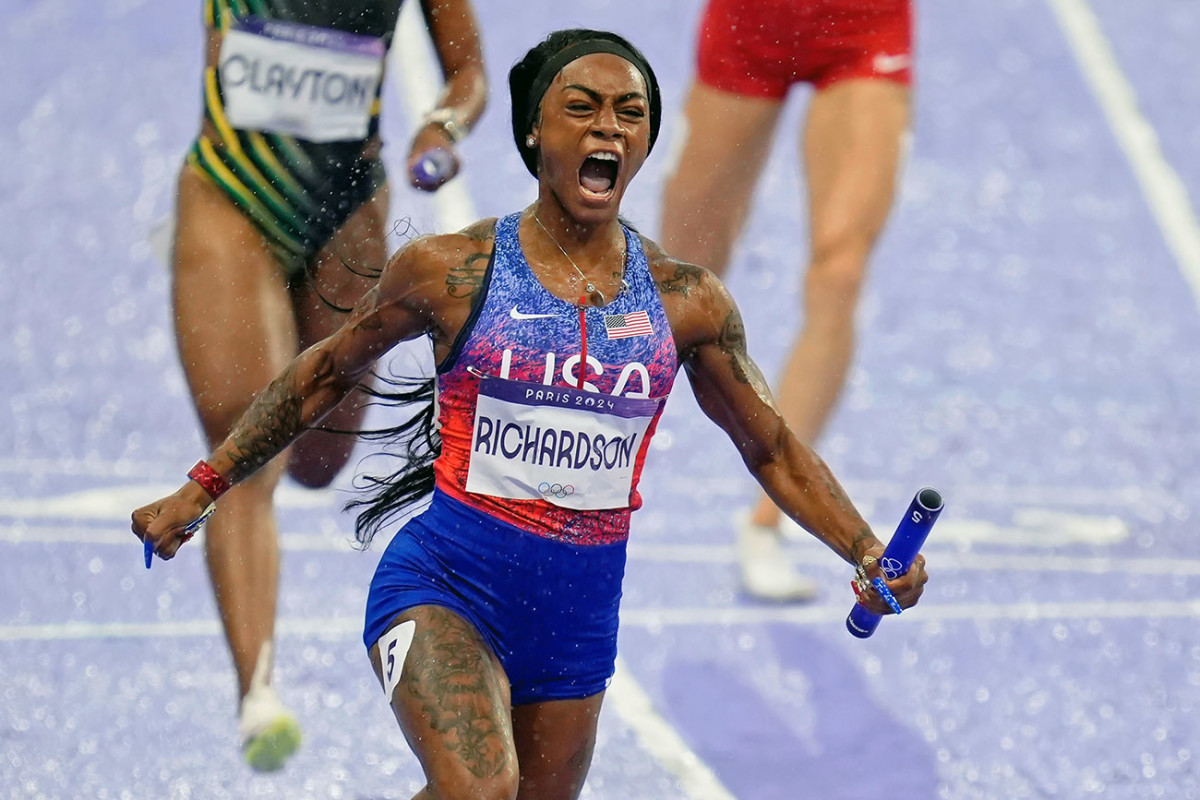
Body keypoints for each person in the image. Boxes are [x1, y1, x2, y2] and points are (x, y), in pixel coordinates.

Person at [135, 29, 927, 798]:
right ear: (532, 133)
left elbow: (774, 449)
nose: (609, 125)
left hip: (575, 632)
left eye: (630, 111)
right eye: (582, 106)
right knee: (483, 790)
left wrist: (865, 549)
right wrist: (204, 486)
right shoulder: (451, 272)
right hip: (443, 588)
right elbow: (320, 375)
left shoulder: (686, 303)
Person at [170, 0, 486, 772]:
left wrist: (444, 123)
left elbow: (468, 67)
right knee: (249, 450)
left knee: (319, 460)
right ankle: (260, 694)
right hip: (231, 198)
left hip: (348, 207)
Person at [660, 0, 913, 602]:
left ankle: (768, 522)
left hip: (863, 23)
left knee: (840, 272)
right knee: (675, 283)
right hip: (752, 22)